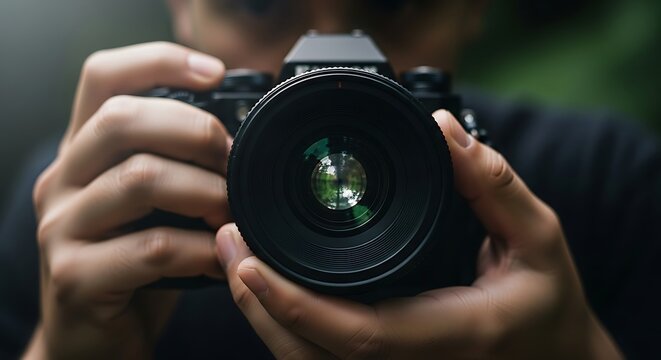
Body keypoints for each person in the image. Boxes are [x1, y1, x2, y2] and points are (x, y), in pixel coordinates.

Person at [0, 0, 658, 358]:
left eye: (393, 5)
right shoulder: (94, 204)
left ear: (470, 8)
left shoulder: (604, 181)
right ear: (182, 8)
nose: (326, 65)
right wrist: (66, 349)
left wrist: (572, 350)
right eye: (259, 7)